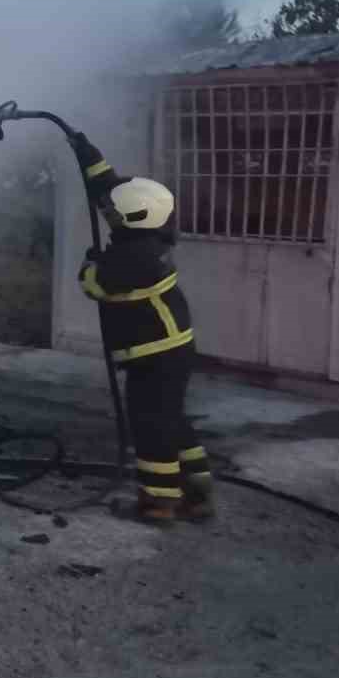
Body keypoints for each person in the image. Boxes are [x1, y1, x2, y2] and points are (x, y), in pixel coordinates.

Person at [71, 133, 213, 524]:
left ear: (133, 218)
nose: (108, 214)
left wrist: (90, 263)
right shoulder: (147, 236)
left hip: (155, 354)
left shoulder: (134, 257)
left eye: (114, 214)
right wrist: (86, 151)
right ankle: (198, 493)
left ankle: (159, 502)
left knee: (151, 425)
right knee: (172, 418)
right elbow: (109, 191)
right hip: (169, 349)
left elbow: (94, 285)